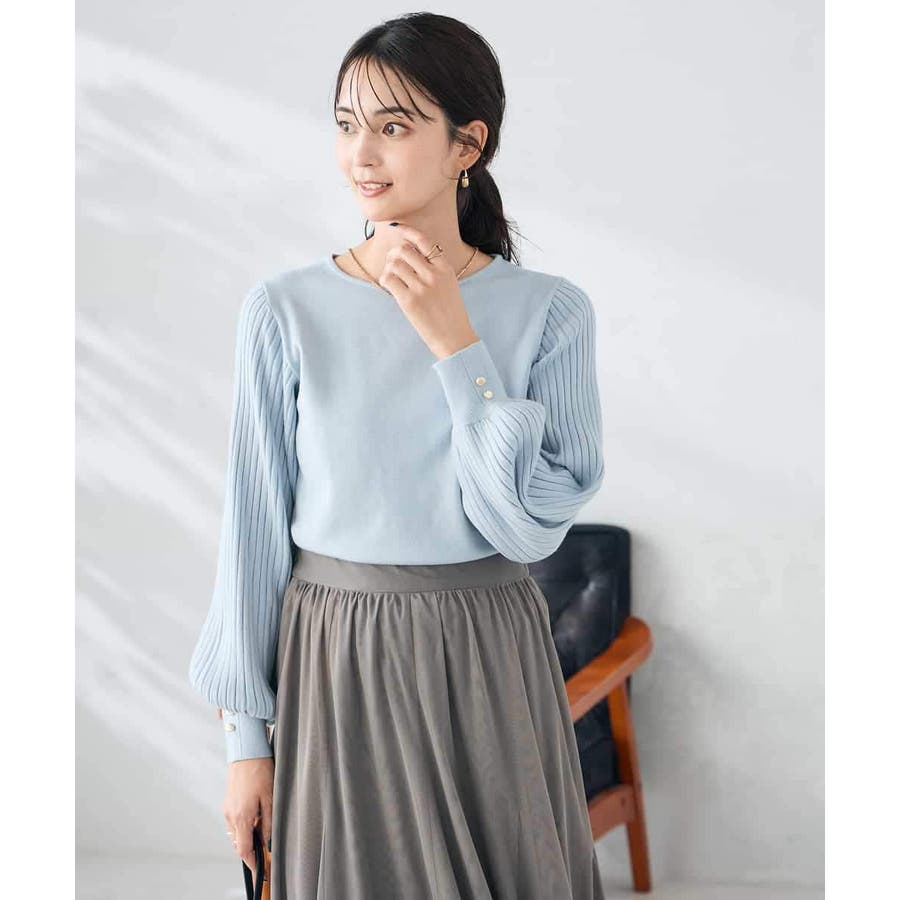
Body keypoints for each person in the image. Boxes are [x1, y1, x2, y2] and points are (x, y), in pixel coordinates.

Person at [188, 12, 606, 899]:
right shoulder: (285, 310)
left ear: (467, 145)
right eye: (346, 125)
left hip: (488, 655)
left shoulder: (550, 311)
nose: (361, 155)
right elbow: (252, 537)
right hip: (334, 658)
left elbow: (528, 529)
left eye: (393, 126)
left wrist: (458, 348)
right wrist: (245, 746)